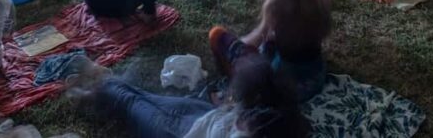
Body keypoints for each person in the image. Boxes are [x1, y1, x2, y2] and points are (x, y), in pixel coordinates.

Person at [210, 0, 332, 101]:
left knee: (217, 35)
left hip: (283, 86)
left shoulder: (276, 2)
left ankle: (231, 88)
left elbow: (254, 41)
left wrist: (236, 45)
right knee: (269, 44)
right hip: (315, 78)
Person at [89, 53, 309, 138]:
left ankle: (97, 84)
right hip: (206, 118)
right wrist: (226, 107)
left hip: (184, 131)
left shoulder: (261, 124)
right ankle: (103, 82)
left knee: (131, 102)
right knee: (140, 98)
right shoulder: (282, 114)